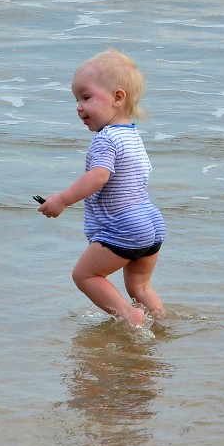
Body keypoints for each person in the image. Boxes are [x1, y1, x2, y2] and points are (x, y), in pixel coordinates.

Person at [40, 50, 166, 328]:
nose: (78, 106)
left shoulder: (106, 139)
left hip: (125, 226)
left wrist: (62, 199)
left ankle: (129, 316)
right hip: (152, 223)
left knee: (85, 276)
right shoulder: (132, 136)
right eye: (76, 99)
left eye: (86, 97)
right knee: (141, 288)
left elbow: (98, 177)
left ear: (118, 98)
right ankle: (160, 321)